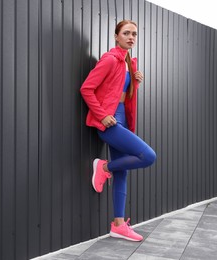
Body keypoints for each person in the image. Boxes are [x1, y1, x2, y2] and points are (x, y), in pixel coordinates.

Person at [80, 20, 156, 242]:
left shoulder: (128, 64)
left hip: (121, 118)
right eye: (126, 33)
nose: (131, 37)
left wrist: (135, 82)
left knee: (122, 174)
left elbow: (122, 95)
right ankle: (104, 166)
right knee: (148, 156)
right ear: (116, 36)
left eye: (134, 33)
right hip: (110, 123)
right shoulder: (110, 59)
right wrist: (102, 115)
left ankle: (118, 224)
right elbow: (86, 88)